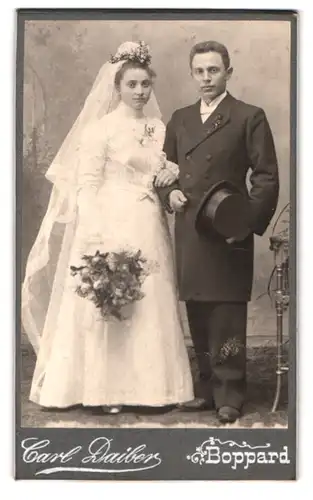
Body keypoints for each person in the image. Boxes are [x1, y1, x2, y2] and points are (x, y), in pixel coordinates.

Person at [22, 41, 194, 414]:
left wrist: (169, 173)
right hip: (110, 219)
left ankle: (153, 390)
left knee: (151, 299)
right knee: (111, 299)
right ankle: (105, 390)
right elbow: (87, 183)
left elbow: (165, 171)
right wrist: (95, 232)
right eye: (131, 84)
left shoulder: (158, 127)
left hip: (148, 222)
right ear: (116, 87)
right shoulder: (100, 129)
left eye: (145, 84)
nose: (139, 92)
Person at [157, 40, 279, 423]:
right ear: (192, 73)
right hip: (191, 229)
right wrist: (169, 192)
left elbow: (266, 177)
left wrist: (245, 224)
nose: (206, 78)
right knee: (199, 311)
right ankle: (207, 388)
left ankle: (230, 394)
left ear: (228, 71)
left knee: (225, 312)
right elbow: (163, 170)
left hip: (228, 230)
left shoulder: (248, 116)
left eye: (213, 70)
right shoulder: (179, 119)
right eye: (199, 71)